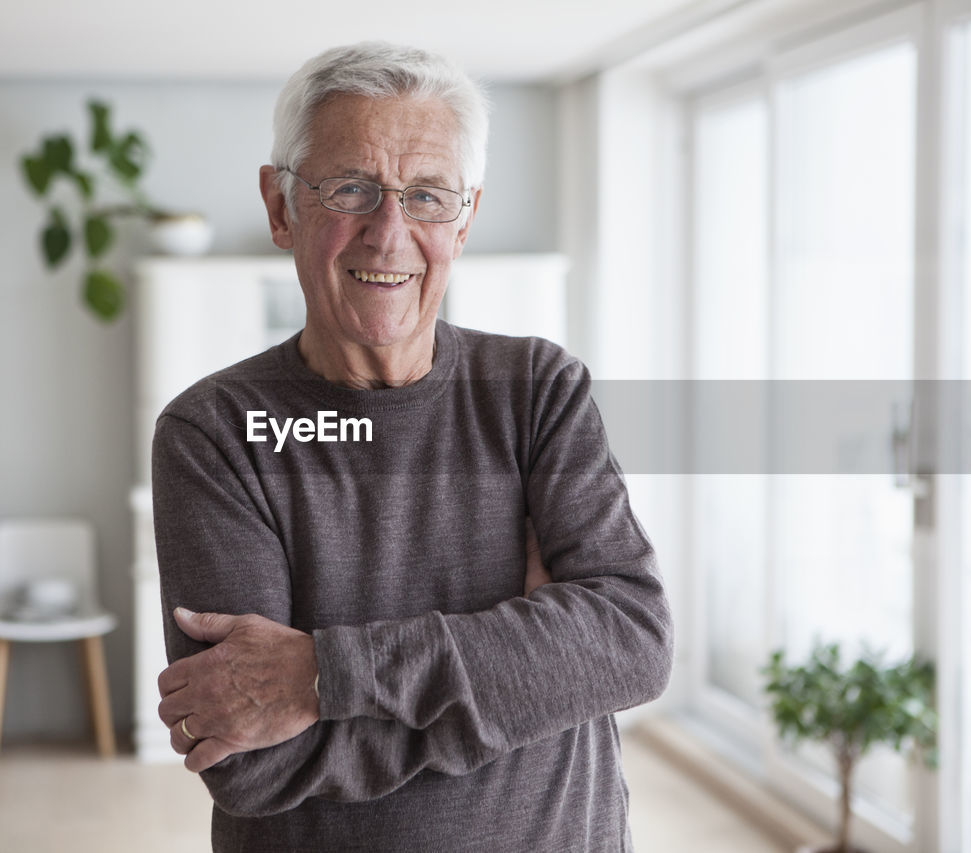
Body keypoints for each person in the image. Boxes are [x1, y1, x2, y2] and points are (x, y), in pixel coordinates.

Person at [152, 42, 673, 852]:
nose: (388, 234)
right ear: (281, 205)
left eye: (427, 195)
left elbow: (631, 643)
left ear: (463, 219)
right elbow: (250, 764)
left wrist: (329, 674)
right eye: (350, 188)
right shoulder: (217, 432)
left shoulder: (537, 389)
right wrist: (524, 689)